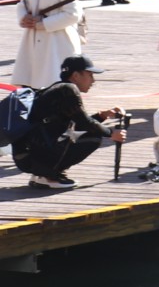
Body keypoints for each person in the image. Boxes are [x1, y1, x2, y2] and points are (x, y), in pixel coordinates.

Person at [11, 54, 126, 189]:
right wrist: (111, 133)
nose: (93, 80)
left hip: (26, 156)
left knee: (84, 134)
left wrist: (103, 116)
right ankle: (48, 175)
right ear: (76, 75)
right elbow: (84, 123)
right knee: (94, 137)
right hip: (35, 157)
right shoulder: (68, 90)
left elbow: (77, 125)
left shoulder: (56, 89)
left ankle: (42, 174)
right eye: (90, 75)